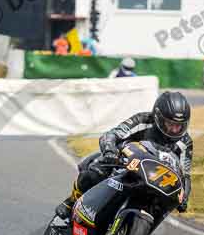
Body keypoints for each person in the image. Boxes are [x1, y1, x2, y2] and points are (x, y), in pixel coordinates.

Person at [55, 91, 193, 220]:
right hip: (125, 163)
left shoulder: (185, 142)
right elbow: (112, 135)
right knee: (96, 170)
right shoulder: (143, 120)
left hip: (155, 178)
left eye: (179, 126)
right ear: (158, 118)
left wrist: (184, 197)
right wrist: (110, 151)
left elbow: (185, 174)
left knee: (166, 204)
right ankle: (71, 201)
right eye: (170, 124)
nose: (175, 129)